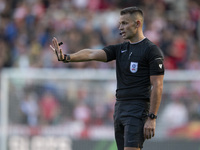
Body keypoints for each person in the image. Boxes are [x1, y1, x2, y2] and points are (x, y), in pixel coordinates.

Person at [50, 6, 164, 150]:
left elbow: (158, 85)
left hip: (138, 109)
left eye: (124, 23)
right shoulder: (121, 49)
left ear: (137, 23)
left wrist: (152, 118)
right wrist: (66, 57)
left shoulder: (151, 50)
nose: (120, 27)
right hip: (120, 108)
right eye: (120, 23)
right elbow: (91, 54)